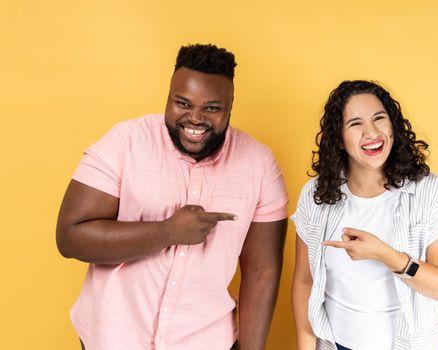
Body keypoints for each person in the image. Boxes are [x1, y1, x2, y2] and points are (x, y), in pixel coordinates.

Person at [56, 43, 288, 350]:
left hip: (206, 341)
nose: (194, 118)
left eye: (211, 108)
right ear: (168, 96)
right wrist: (168, 232)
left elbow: (262, 271)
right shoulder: (124, 143)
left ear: (230, 106)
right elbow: (69, 237)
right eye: (182, 103)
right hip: (112, 338)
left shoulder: (260, 165)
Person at [291, 80, 438, 350]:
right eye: (355, 123)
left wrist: (386, 255)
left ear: (393, 126)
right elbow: (304, 280)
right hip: (335, 345)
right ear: (339, 139)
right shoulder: (316, 195)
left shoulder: (431, 192)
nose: (371, 132)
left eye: (379, 118)